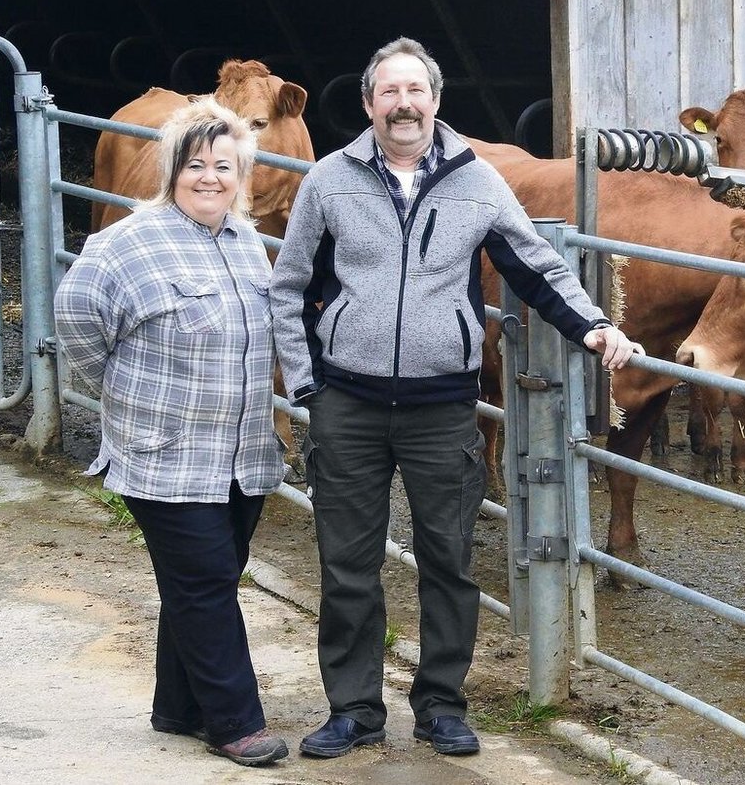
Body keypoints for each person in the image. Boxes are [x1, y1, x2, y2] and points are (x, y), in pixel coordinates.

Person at [270, 37, 642, 759]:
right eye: (389, 92)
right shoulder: (329, 180)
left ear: (435, 102)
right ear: (369, 102)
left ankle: (441, 703)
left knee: (448, 558)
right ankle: (353, 709)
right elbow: (288, 288)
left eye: (416, 91)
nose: (403, 104)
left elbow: (534, 262)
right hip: (348, 401)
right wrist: (308, 381)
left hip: (443, 407)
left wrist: (594, 325)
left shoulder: (476, 180)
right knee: (346, 563)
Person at [54, 97, 290, 767]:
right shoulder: (126, 241)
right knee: (207, 580)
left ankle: (178, 705)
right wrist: (124, 389)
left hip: (240, 453)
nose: (210, 177)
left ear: (242, 173)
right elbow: (76, 321)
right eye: (195, 164)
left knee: (203, 579)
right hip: (164, 453)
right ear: (172, 170)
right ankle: (233, 721)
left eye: (224, 165)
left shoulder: (247, 243)